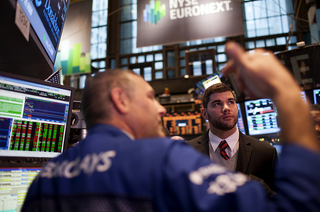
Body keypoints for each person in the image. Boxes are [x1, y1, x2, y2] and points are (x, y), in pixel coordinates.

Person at [22, 43, 320, 212]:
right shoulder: (162, 159)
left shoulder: (43, 182)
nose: (161, 108)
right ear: (120, 100)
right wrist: (283, 89)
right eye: (151, 97)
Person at [186, 83, 277, 190]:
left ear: (237, 108)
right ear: (205, 113)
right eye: (217, 104)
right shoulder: (188, 152)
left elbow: (277, 200)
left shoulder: (265, 152)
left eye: (230, 102)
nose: (226, 108)